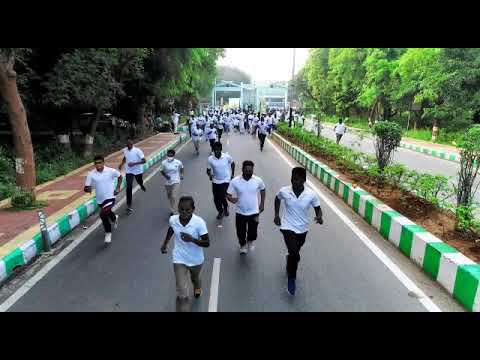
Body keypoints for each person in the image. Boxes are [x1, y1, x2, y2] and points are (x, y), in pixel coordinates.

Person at [274, 167, 323, 296]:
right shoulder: (284, 191)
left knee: (295, 252)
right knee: (294, 253)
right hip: (287, 226)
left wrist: (319, 217)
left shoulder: (311, 194)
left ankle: (291, 258)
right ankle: (291, 279)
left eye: (297, 179)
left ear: (304, 180)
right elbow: (277, 199)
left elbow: (318, 208)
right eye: (292, 178)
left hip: (302, 229)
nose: (294, 181)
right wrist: (276, 215)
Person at [161, 196, 210, 312]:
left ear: (193, 209)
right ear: (178, 208)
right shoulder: (173, 219)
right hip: (179, 258)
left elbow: (207, 243)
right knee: (182, 291)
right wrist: (165, 243)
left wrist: (192, 239)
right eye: (181, 209)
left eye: (187, 210)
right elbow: (171, 229)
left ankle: (197, 286)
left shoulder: (199, 223)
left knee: (195, 278)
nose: (184, 212)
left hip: (196, 260)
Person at [227, 160, 266, 254]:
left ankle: (250, 241)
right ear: (242, 169)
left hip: (254, 211)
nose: (249, 172)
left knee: (253, 232)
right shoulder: (235, 181)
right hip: (240, 212)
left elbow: (263, 189)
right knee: (240, 232)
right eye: (247, 170)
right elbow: (228, 194)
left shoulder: (258, 180)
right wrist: (232, 200)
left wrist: (262, 204)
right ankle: (242, 245)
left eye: (250, 170)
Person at [84, 155, 123, 244]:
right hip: (100, 200)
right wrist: (88, 189)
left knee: (103, 214)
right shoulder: (91, 174)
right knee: (107, 212)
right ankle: (114, 218)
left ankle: (108, 233)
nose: (98, 165)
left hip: (110, 197)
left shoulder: (110, 171)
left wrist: (117, 188)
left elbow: (120, 177)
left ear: (103, 163)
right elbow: (86, 188)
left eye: (100, 163)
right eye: (96, 163)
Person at [207, 142, 235, 220]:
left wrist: (232, 174)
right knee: (216, 198)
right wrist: (210, 175)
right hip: (215, 181)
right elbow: (208, 170)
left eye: (218, 149)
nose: (216, 151)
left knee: (222, 196)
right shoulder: (210, 159)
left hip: (225, 180)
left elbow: (232, 163)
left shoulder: (226, 157)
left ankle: (225, 208)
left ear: (221, 149)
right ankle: (220, 211)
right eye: (215, 149)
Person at [118, 138, 146, 215]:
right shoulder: (125, 150)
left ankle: (141, 185)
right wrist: (121, 164)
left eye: (130, 144)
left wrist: (134, 163)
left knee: (140, 181)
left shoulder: (138, 151)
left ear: (133, 144)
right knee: (129, 186)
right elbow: (125, 157)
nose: (128, 146)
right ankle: (129, 205)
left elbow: (144, 160)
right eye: (127, 144)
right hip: (129, 171)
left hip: (137, 171)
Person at [161, 149, 184, 217]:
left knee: (173, 196)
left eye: (171, 155)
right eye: (168, 155)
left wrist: (182, 174)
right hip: (168, 182)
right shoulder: (164, 162)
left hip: (176, 181)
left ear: (174, 155)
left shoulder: (178, 162)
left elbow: (182, 168)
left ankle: (172, 210)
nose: (169, 156)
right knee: (169, 196)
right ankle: (172, 203)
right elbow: (161, 171)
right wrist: (166, 176)